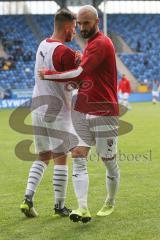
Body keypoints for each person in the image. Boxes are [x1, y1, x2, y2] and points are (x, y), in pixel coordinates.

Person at [40, 5, 120, 223]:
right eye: (80, 23)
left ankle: (110, 201)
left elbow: (79, 73)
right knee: (77, 155)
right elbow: (80, 79)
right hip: (83, 110)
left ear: (96, 22)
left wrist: (48, 74)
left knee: (108, 161)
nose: (82, 27)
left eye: (86, 23)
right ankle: (82, 208)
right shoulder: (90, 46)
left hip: (104, 110)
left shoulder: (101, 43)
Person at [20, 9, 79, 218]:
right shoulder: (65, 52)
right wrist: (79, 64)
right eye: (74, 27)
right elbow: (75, 82)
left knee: (43, 156)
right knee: (61, 158)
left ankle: (27, 198)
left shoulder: (42, 45)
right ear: (66, 27)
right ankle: (59, 205)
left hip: (38, 107)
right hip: (58, 111)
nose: (75, 31)